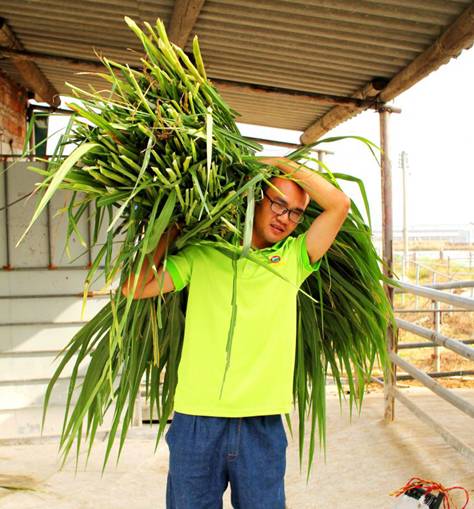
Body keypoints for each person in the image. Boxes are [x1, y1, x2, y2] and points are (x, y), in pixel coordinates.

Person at [122, 157, 350, 509]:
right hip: (197, 418)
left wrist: (278, 163)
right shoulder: (204, 255)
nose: (284, 218)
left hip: (261, 422)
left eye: (295, 213)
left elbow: (338, 204)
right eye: (278, 203)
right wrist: (171, 232)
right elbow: (134, 288)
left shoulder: (294, 259)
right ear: (256, 198)